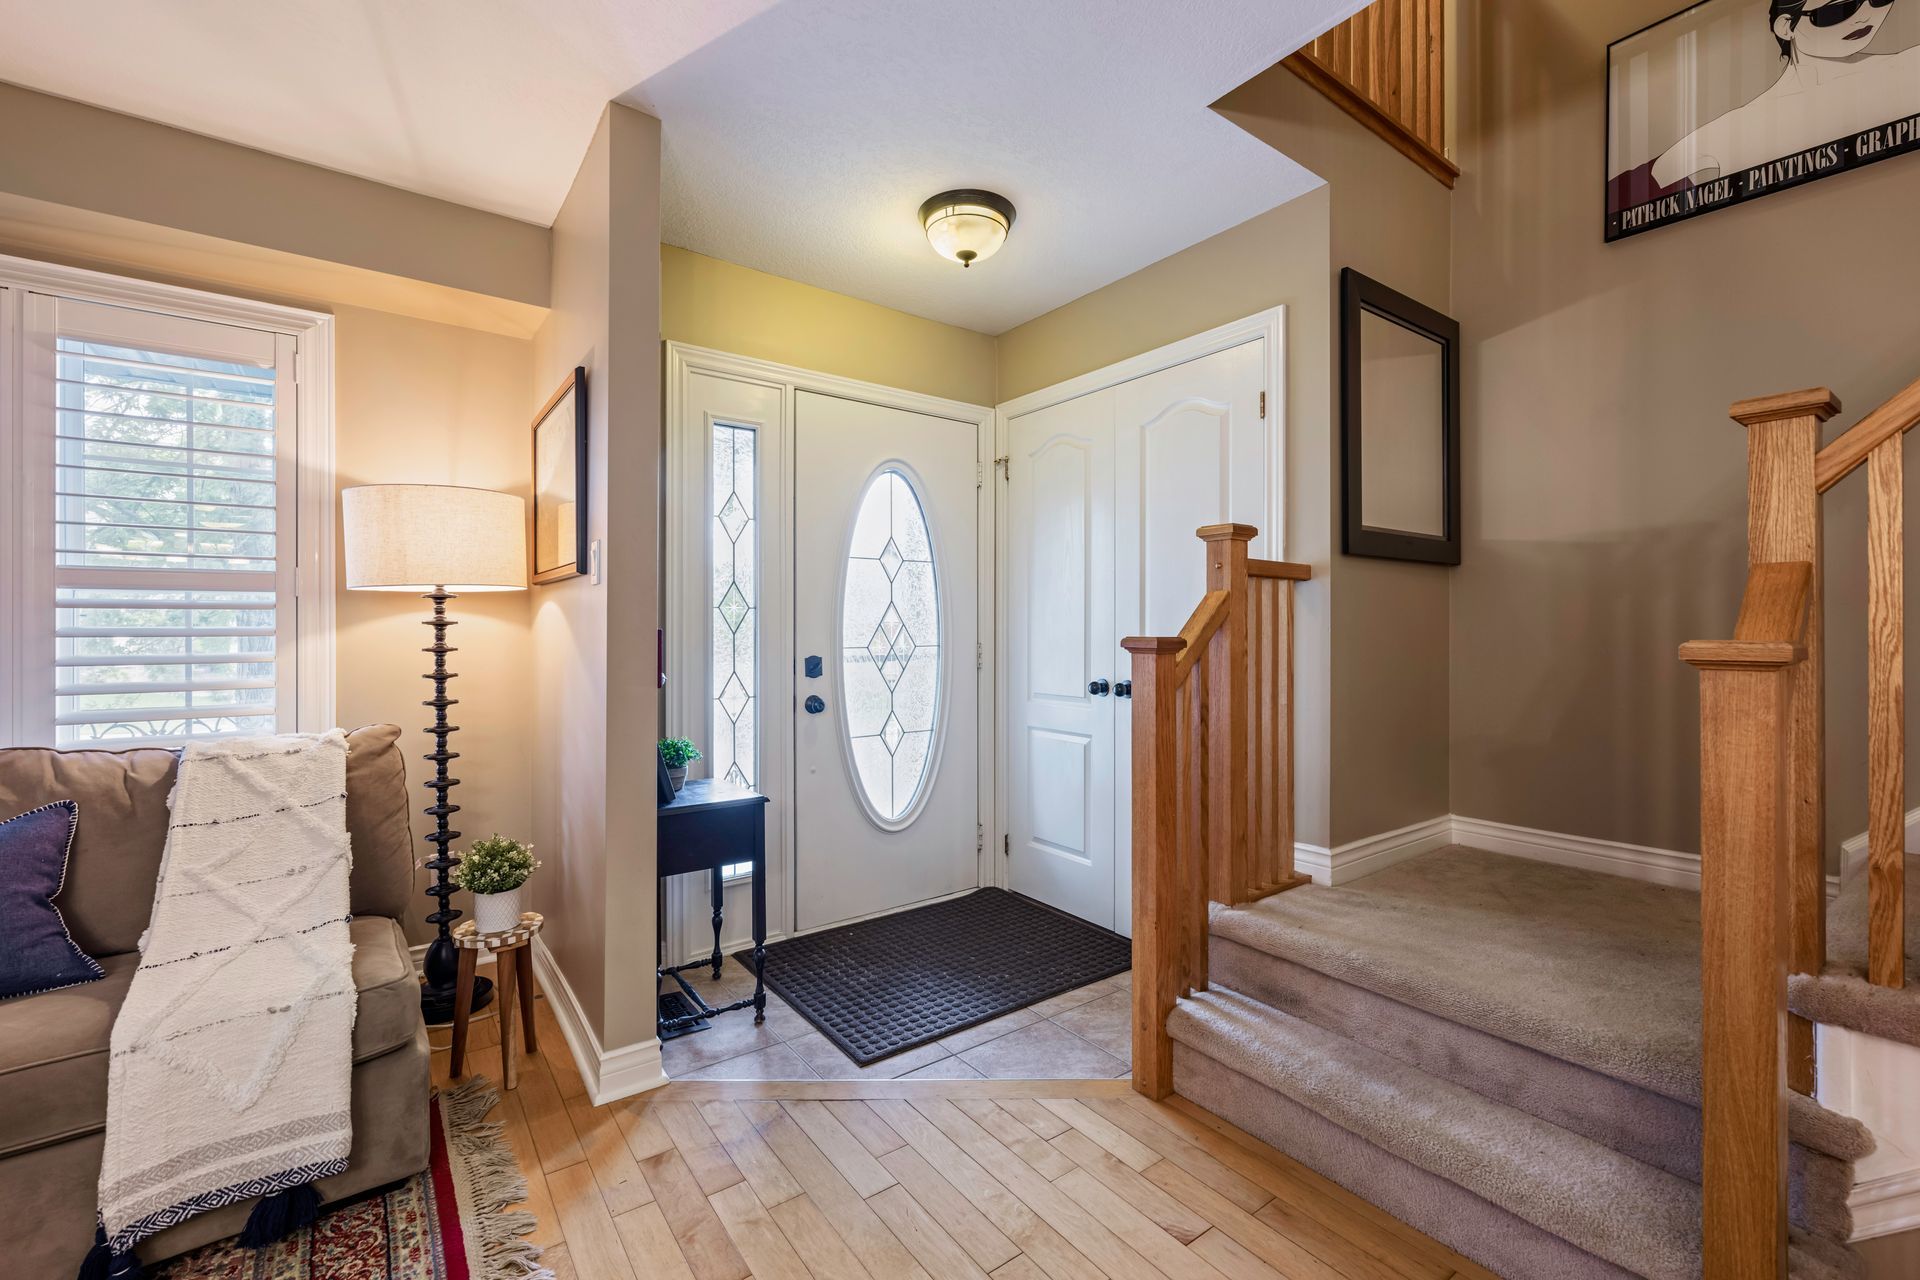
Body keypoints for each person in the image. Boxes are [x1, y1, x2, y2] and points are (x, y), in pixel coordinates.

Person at [1652, 0, 1919, 187]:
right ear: (1786, 27)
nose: (1865, 16)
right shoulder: (1736, 128)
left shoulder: (1912, 66)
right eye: (1839, 10)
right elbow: (1655, 178)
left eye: (1879, 0)